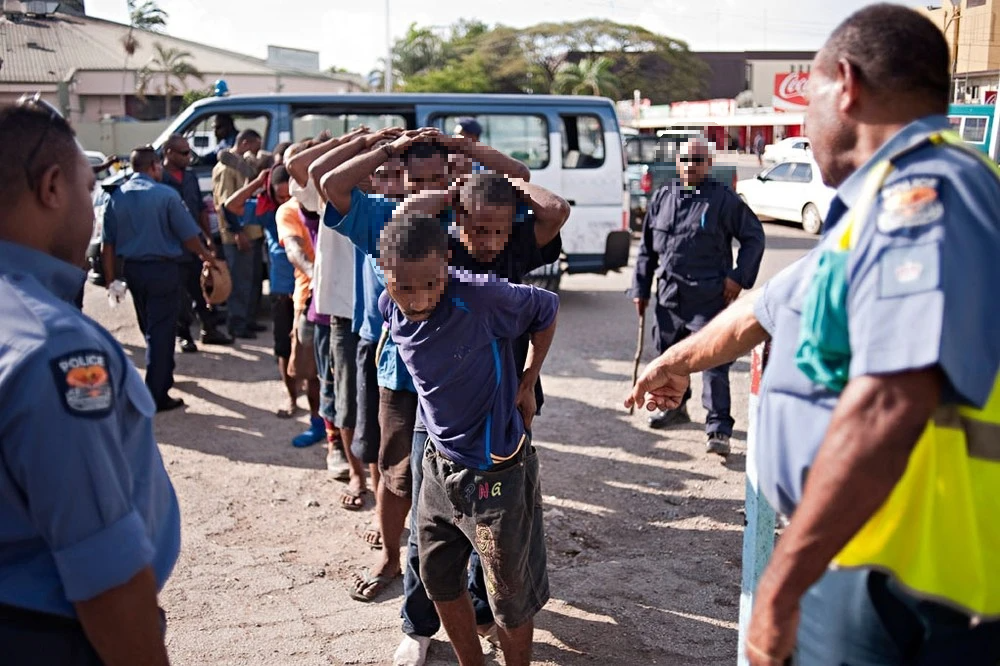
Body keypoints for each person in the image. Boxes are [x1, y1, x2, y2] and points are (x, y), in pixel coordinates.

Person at [627, 5, 1000, 665]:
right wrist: (673, 363)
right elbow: (764, 310)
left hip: (913, 588)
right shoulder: (879, 209)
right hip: (866, 560)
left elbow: (891, 402)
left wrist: (779, 588)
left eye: (811, 96)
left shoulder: (931, 195)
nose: (806, 122)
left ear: (845, 84)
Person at [315, 128, 567, 664]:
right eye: (405, 287)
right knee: (419, 522)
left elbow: (547, 216)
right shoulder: (409, 246)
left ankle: (489, 613)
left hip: (492, 415)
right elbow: (328, 184)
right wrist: (423, 176)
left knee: (497, 552)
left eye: (493, 228)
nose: (418, 296)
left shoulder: (481, 277)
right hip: (425, 412)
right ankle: (419, 621)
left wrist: (477, 172)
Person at [0, 96, 180, 665]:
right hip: (52, 634)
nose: (92, 206)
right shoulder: (56, 347)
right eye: (86, 189)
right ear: (51, 188)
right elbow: (105, 574)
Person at [377, 213, 559, 666]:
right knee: (436, 577)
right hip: (439, 464)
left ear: (446, 267)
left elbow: (547, 308)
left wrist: (527, 380)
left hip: (495, 469)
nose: (416, 300)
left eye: (428, 285)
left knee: (508, 600)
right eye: (404, 287)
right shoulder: (387, 305)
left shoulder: (480, 296)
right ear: (385, 275)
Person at [629, 136, 765, 456]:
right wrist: (640, 288)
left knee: (713, 361)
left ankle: (718, 428)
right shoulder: (662, 198)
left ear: (709, 164)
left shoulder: (723, 200)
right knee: (667, 356)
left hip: (708, 296)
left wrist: (737, 278)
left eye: (699, 160)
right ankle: (675, 408)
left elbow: (753, 238)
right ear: (678, 163)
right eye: (686, 159)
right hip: (669, 297)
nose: (691, 166)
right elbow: (647, 249)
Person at [101, 145, 215, 412]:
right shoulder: (166, 195)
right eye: (159, 165)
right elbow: (190, 237)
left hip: (133, 272)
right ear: (153, 166)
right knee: (161, 333)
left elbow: (108, 245)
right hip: (163, 271)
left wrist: (110, 281)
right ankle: (156, 394)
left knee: (149, 327)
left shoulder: (116, 197)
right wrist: (208, 258)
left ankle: (162, 377)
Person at [224, 165, 303, 419]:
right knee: (283, 347)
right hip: (282, 290)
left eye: (289, 195)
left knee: (311, 348)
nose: (285, 201)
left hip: (309, 287)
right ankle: (292, 399)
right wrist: (258, 182)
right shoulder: (267, 211)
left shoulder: (308, 206)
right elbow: (231, 206)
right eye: (280, 197)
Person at [160, 133, 233, 351]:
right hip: (173, 248)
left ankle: (209, 330)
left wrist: (208, 237)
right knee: (179, 295)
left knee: (203, 288)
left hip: (196, 244)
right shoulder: (160, 178)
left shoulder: (190, 176)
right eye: (183, 153)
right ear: (168, 153)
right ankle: (184, 335)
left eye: (189, 152)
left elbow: (200, 208)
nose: (188, 157)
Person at [212, 128, 265, 339]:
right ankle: (237, 324)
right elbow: (225, 205)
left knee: (251, 281)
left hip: (252, 232)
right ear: (245, 143)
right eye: (254, 147)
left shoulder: (242, 166)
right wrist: (237, 233)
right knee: (239, 282)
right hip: (238, 235)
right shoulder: (226, 168)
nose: (255, 152)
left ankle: (248, 320)